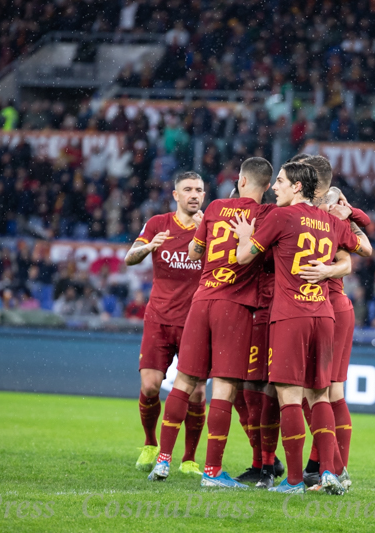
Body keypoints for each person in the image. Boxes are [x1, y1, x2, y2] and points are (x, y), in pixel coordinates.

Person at [232, 162, 372, 495]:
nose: (274, 187)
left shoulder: (281, 218)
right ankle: (329, 472)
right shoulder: (329, 220)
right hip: (324, 315)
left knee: (290, 398)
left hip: (291, 314)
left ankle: (294, 480)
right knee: (321, 395)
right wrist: (350, 222)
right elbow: (360, 250)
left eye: (279, 182)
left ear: (297, 187)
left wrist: (245, 237)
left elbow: (242, 258)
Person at [150, 158, 285, 488]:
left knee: (183, 380)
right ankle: (211, 473)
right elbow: (266, 257)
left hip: (201, 301)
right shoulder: (269, 215)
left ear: (239, 180)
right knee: (224, 387)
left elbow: (195, 253)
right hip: (235, 306)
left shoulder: (213, 209)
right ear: (267, 186)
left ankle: (163, 461)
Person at [292, 154, 372, 489]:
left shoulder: (332, 209)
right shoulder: (315, 210)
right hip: (319, 307)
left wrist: (349, 213)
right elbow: (365, 238)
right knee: (320, 393)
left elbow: (363, 247)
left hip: (330, 306)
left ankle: (334, 467)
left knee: (323, 393)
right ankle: (326, 465)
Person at [124, 172, 207, 475]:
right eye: (187, 189)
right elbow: (129, 257)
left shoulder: (211, 228)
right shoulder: (158, 224)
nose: (194, 195)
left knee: (197, 393)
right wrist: (148, 247)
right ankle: (150, 443)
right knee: (149, 386)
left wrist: (207, 236)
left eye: (199, 189)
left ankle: (189, 459)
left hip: (195, 322)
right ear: (176, 195)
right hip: (158, 318)